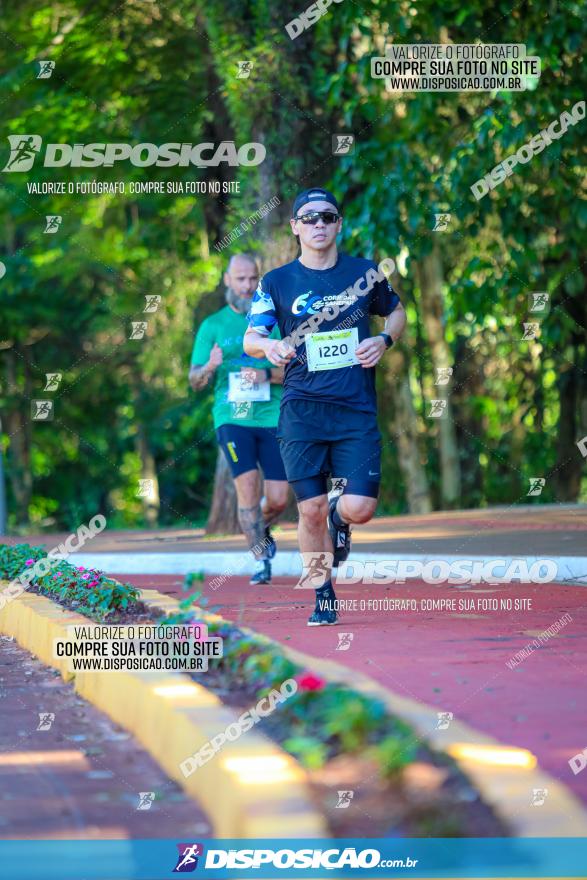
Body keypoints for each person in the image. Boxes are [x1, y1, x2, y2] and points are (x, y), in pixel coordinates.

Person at [244, 188, 407, 625]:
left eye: (327, 217)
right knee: (308, 508)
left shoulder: (364, 273)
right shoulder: (276, 282)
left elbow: (397, 312)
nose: (319, 224)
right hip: (301, 411)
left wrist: (383, 339)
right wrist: (270, 345)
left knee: (360, 508)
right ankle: (323, 594)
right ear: (295, 226)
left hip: (355, 409)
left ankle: (341, 518)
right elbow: (251, 338)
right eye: (309, 217)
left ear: (338, 225)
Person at [189, 253, 288, 585]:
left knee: (277, 498)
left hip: (272, 415)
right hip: (232, 418)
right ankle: (260, 560)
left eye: (253, 279)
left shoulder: (271, 323)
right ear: (227, 280)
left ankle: (259, 528)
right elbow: (195, 380)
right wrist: (210, 366)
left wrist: (265, 376)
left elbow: (294, 373)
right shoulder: (212, 326)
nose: (247, 286)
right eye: (241, 279)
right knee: (246, 488)